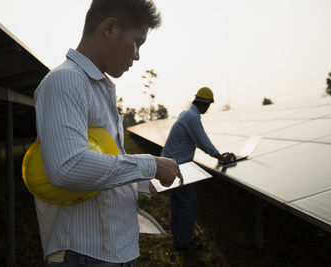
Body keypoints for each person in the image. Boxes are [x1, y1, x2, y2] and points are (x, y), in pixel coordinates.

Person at [34, 0, 182, 266]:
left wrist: (139, 181)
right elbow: (67, 167)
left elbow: (103, 163)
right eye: (138, 42)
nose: (137, 55)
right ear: (110, 28)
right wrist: (149, 164)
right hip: (86, 254)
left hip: (113, 250)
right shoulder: (67, 80)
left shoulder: (99, 87)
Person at [161, 87, 234, 250]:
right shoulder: (192, 117)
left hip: (170, 166)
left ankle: (179, 241)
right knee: (188, 204)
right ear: (207, 104)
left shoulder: (186, 114)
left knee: (178, 205)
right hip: (178, 168)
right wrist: (218, 156)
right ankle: (184, 243)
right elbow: (202, 140)